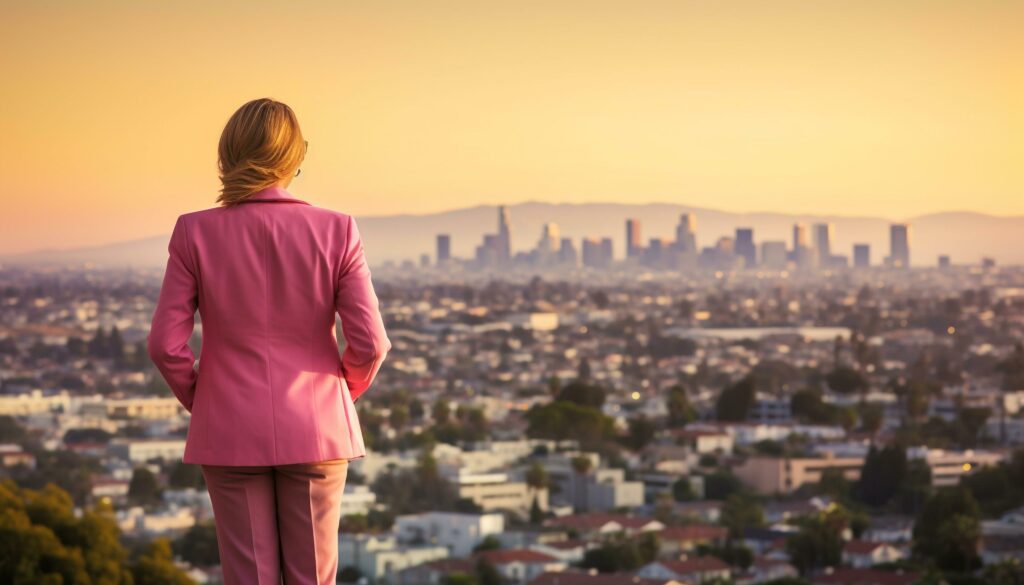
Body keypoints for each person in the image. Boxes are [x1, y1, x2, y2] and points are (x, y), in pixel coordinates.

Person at [147, 97, 391, 585]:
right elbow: (371, 344)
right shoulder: (337, 229)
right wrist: (341, 392)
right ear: (295, 157)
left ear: (228, 155)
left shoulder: (194, 231)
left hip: (229, 425)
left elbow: (164, 345)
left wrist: (205, 398)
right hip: (318, 426)